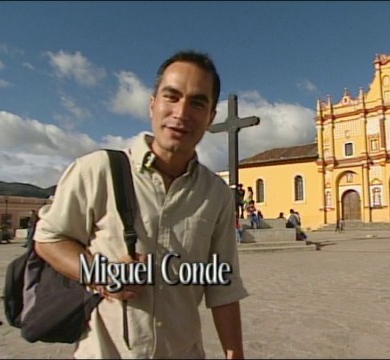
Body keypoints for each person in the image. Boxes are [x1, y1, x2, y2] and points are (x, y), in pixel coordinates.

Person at [33, 50, 247, 359]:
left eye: (197, 103)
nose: (181, 112)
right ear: (152, 104)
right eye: (171, 97)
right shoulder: (97, 170)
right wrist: (101, 274)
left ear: (212, 117)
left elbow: (223, 286)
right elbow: (48, 239)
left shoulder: (217, 194)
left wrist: (234, 353)